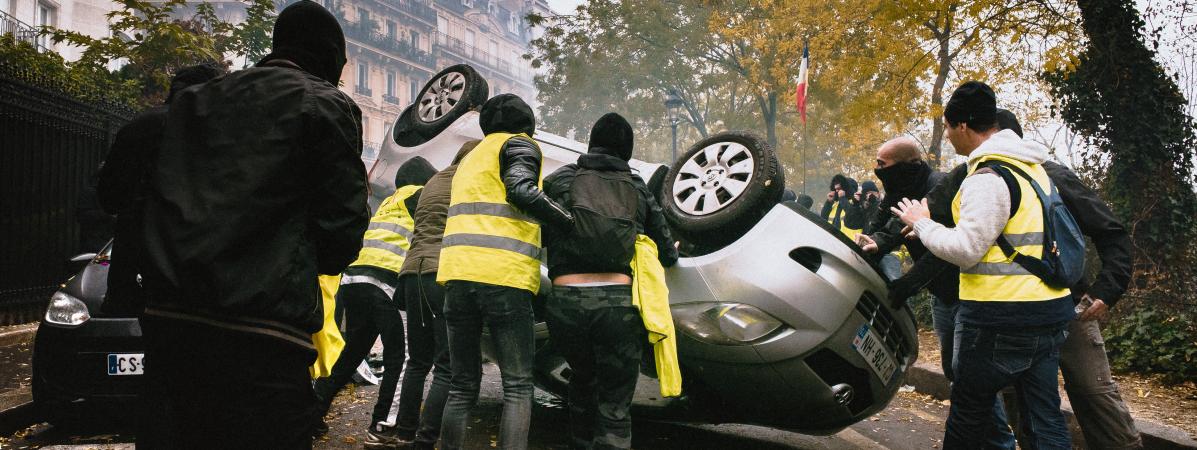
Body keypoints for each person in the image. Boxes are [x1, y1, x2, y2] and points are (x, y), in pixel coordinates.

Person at [137, 1, 369, 447]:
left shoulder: (193, 102)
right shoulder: (324, 104)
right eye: (340, 63)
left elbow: (151, 196)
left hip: (172, 321)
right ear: (325, 55)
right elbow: (342, 227)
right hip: (263, 332)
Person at [893, 81, 1074, 449]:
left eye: (946, 127)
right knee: (1045, 419)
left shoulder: (987, 177)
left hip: (998, 319)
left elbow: (966, 249)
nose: (946, 135)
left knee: (968, 418)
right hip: (1049, 311)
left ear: (962, 126)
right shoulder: (1032, 169)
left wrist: (921, 223)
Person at [436, 94, 575, 450]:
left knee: (462, 384)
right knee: (517, 384)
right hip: (503, 277)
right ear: (526, 125)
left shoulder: (470, 159)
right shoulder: (519, 144)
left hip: (456, 276)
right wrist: (570, 223)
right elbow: (521, 191)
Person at [861, 136, 1018, 449]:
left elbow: (946, 248)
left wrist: (908, 283)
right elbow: (887, 226)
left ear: (908, 164)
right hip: (942, 298)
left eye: (883, 164)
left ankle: (1000, 441)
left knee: (967, 376)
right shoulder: (897, 190)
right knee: (953, 370)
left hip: (966, 294)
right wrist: (873, 244)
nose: (878, 169)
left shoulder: (942, 185)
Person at [541, 113, 679, 450]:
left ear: (591, 142)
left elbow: (541, 231)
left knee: (582, 378)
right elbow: (666, 252)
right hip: (616, 308)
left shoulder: (560, 180)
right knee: (614, 399)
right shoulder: (637, 188)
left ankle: (580, 442)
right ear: (626, 150)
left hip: (564, 305)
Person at [313, 157, 437, 446]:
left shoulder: (389, 201)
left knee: (351, 354)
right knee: (402, 359)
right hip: (386, 282)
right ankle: (384, 426)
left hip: (355, 281)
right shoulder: (419, 197)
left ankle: (312, 411)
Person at [96, 64, 221, 317]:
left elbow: (109, 198)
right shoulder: (220, 132)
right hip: (197, 271)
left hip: (135, 267)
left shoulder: (137, 127)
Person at [393, 141, 479, 450]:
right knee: (447, 365)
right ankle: (425, 439)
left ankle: (403, 433)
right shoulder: (467, 181)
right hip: (441, 273)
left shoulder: (434, 181)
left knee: (418, 360)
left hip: (412, 274)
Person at [820, 174, 864, 240]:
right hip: (833, 240)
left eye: (839, 189)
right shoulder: (836, 204)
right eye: (836, 189)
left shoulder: (856, 203)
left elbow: (852, 215)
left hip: (850, 242)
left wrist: (843, 198)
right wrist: (828, 202)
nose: (837, 191)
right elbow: (823, 217)